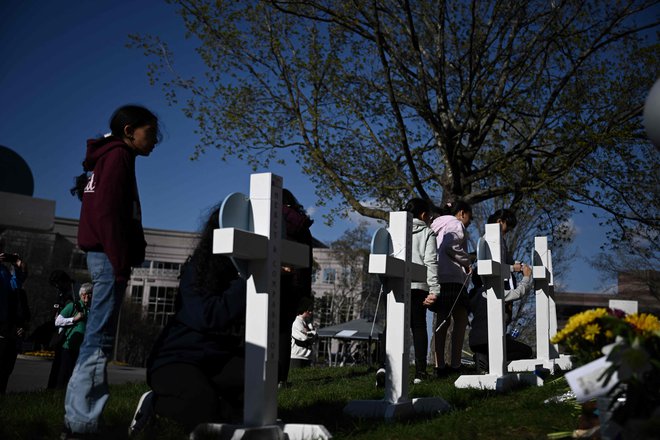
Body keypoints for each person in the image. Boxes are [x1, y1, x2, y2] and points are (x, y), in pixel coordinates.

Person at [62, 105, 159, 438]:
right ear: (130, 130)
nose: (155, 140)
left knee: (97, 337)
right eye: (151, 132)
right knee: (99, 339)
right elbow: (106, 214)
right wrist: (120, 261)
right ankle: (82, 422)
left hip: (105, 257)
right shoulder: (116, 157)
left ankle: (80, 418)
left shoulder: (113, 157)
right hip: (107, 258)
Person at [131, 207, 247, 436]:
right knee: (202, 406)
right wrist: (245, 282)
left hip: (217, 359)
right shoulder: (198, 270)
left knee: (255, 388)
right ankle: (154, 405)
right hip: (177, 358)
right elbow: (208, 316)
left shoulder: (242, 274)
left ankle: (222, 406)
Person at [430, 200, 473, 377]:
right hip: (454, 277)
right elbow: (450, 246)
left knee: (442, 320)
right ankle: (455, 364)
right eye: (470, 216)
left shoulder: (436, 226)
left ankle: (439, 365)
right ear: (462, 213)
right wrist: (467, 260)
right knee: (461, 320)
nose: (470, 221)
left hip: (438, 276)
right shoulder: (456, 224)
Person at [469, 263, 534, 372]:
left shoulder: (472, 294)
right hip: (489, 340)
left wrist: (513, 268)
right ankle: (490, 359)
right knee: (526, 351)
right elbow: (519, 292)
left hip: (474, 341)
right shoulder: (492, 293)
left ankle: (483, 357)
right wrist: (526, 277)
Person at [278, 189, 314, 387]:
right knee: (284, 329)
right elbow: (307, 260)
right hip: (294, 283)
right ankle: (281, 379)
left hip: (270, 278)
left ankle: (259, 374)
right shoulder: (301, 224)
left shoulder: (266, 216)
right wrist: (305, 292)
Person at [404, 198, 440, 383]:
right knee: (418, 326)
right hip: (418, 287)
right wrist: (434, 290)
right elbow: (431, 262)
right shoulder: (427, 232)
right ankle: (420, 372)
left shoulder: (393, 231)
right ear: (424, 215)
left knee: (392, 327)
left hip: (396, 284)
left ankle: (384, 367)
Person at [0, 240, 29, 394]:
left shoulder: (5, 272)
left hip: (7, 325)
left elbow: (18, 283)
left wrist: (17, 263)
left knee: (5, 367)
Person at [54, 283, 93, 389]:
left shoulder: (90, 310)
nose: (91, 297)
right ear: (84, 295)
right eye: (90, 294)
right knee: (63, 377)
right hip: (68, 348)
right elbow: (58, 321)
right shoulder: (73, 306)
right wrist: (74, 319)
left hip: (81, 351)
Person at [290, 297, 317, 370]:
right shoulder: (296, 322)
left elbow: (315, 336)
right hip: (296, 356)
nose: (311, 313)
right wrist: (311, 333)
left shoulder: (308, 323)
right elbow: (304, 338)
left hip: (307, 357)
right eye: (309, 310)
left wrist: (309, 332)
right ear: (303, 309)